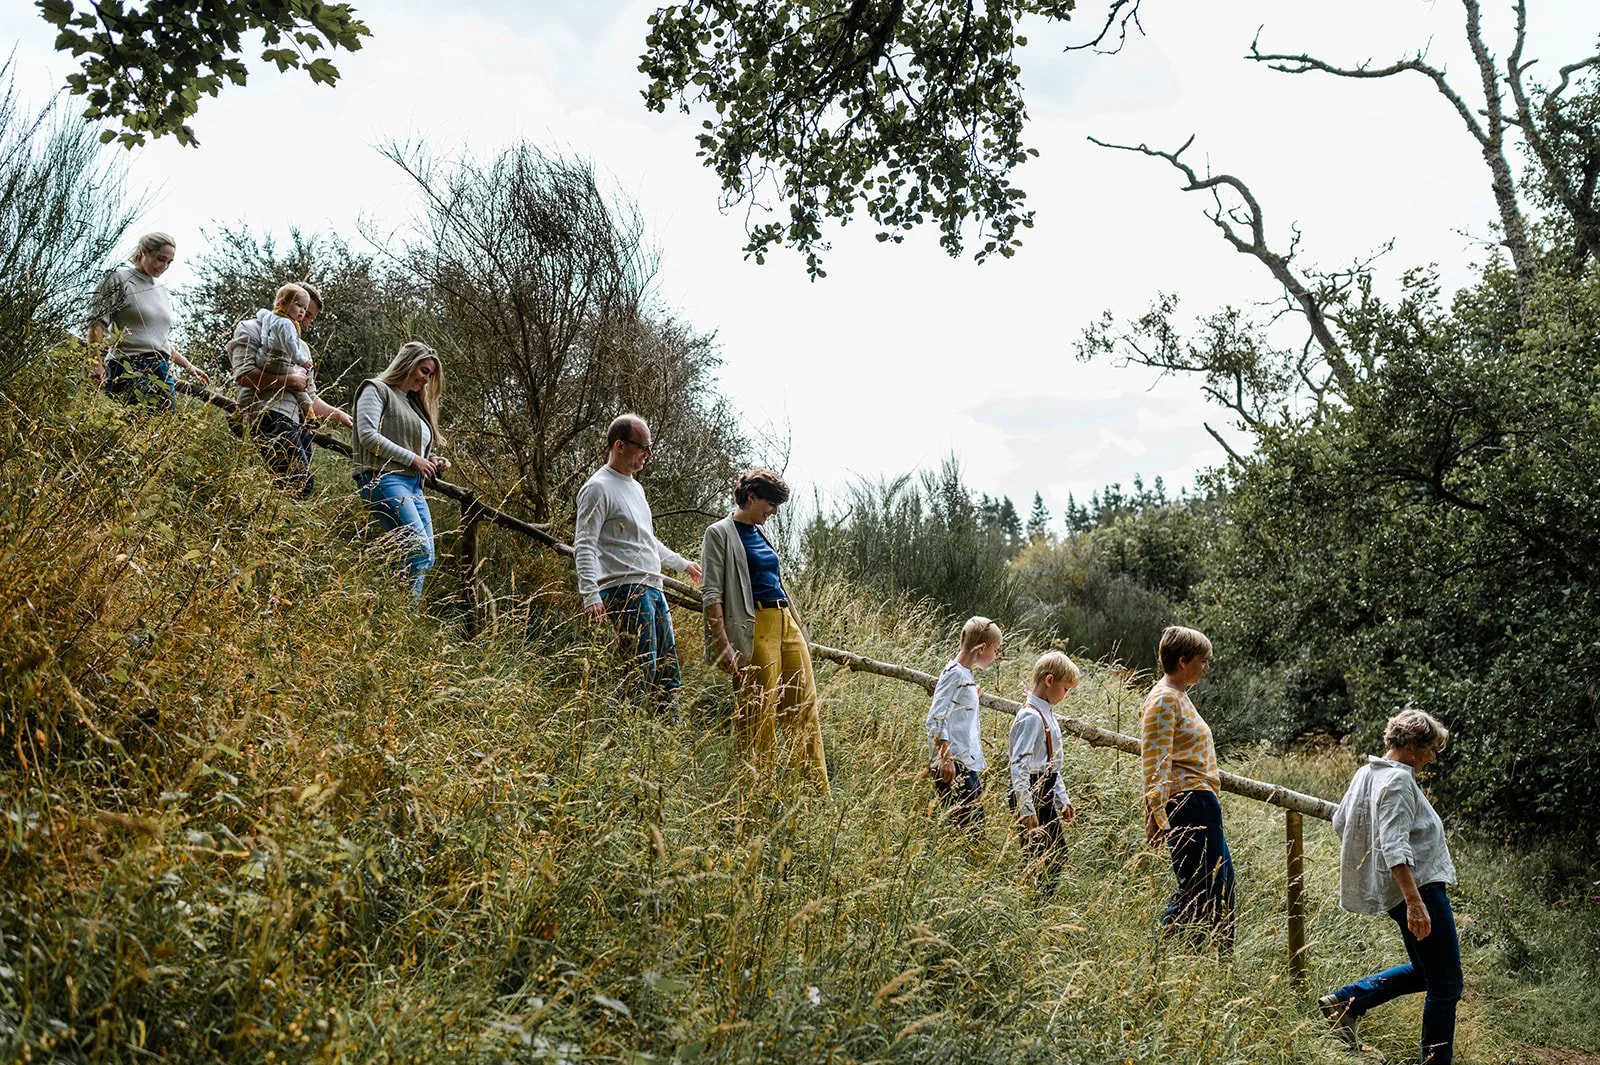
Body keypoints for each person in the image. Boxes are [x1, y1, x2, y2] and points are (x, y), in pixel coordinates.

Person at [1319, 709, 1461, 1063]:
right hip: (1420, 891)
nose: (1431, 759)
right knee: (1446, 985)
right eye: (1429, 750)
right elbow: (1395, 846)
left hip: (1402, 891)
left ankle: (1348, 1002)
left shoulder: (1366, 773)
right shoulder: (1397, 781)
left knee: (1425, 972)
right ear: (1412, 746)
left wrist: (1380, 875)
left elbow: (1342, 823)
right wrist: (1414, 901)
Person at [700, 468, 828, 792]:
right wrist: (723, 645)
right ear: (752, 496)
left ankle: (815, 794)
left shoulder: (760, 532)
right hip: (753, 627)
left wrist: (796, 624)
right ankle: (757, 796)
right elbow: (711, 594)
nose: (773, 511)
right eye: (770, 503)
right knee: (758, 715)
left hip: (786, 622)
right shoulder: (719, 534)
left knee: (804, 708)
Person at [575, 414, 703, 715]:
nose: (648, 454)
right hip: (625, 589)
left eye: (650, 448)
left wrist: (682, 564)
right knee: (640, 671)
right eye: (643, 448)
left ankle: (667, 737)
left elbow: (647, 541)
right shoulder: (598, 488)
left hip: (652, 588)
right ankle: (618, 733)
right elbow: (584, 543)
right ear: (619, 445)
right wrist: (590, 595)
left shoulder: (636, 488)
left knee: (667, 671)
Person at [1140, 625, 1234, 953]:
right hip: (1188, 802)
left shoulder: (1179, 697)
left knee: (1222, 885)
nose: (1206, 666)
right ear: (1183, 661)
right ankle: (1159, 957)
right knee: (1198, 889)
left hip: (1202, 801)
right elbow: (1155, 759)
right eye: (1202, 660)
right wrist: (1157, 813)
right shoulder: (1164, 699)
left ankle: (1220, 962)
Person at [231, 280, 352, 497]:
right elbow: (243, 375)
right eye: (302, 310)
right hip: (267, 414)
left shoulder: (301, 348)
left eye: (309, 315)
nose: (304, 319)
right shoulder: (251, 329)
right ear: (286, 301)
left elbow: (310, 397)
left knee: (289, 488)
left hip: (298, 424)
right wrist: (289, 380)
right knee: (300, 483)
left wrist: (340, 415)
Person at [351, 342, 449, 601]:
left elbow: (410, 448)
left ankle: (396, 615)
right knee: (417, 551)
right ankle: (397, 615)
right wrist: (414, 459)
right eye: (424, 371)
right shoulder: (376, 389)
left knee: (424, 556)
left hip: (414, 486)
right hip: (384, 478)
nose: (426, 380)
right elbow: (368, 436)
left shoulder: (412, 405)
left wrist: (432, 460)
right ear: (408, 364)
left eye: (430, 375)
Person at [88, 232, 211, 411]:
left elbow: (158, 340)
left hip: (161, 370)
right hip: (128, 366)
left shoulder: (161, 290)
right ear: (144, 251)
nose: (164, 266)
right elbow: (97, 324)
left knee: (162, 432)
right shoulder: (118, 279)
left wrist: (188, 366)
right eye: (160, 259)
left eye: (169, 262)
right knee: (128, 427)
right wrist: (96, 363)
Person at [1008, 650, 1079, 891]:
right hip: (1030, 791)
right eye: (1065, 689)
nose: (1066, 695)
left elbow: (1052, 764)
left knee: (1053, 855)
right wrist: (1026, 807)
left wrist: (1062, 800)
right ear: (1049, 680)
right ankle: (1031, 899)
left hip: (1044, 788)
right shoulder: (1031, 717)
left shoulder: (1047, 713)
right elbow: (1019, 767)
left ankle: (1034, 898)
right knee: (1043, 854)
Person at [925, 616, 1003, 829]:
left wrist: (972, 694)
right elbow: (937, 716)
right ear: (981, 648)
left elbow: (955, 705)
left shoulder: (963, 676)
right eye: (995, 650)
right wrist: (946, 758)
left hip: (964, 761)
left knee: (974, 821)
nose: (995, 656)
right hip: (954, 762)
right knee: (968, 828)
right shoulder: (955, 675)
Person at [256, 283, 316, 422]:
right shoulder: (286, 324)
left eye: (305, 309)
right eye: (299, 306)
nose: (302, 312)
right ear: (283, 302)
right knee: (299, 383)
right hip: (278, 360)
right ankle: (309, 413)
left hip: (263, 356)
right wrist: (302, 361)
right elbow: (290, 346)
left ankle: (238, 412)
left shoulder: (269, 317)